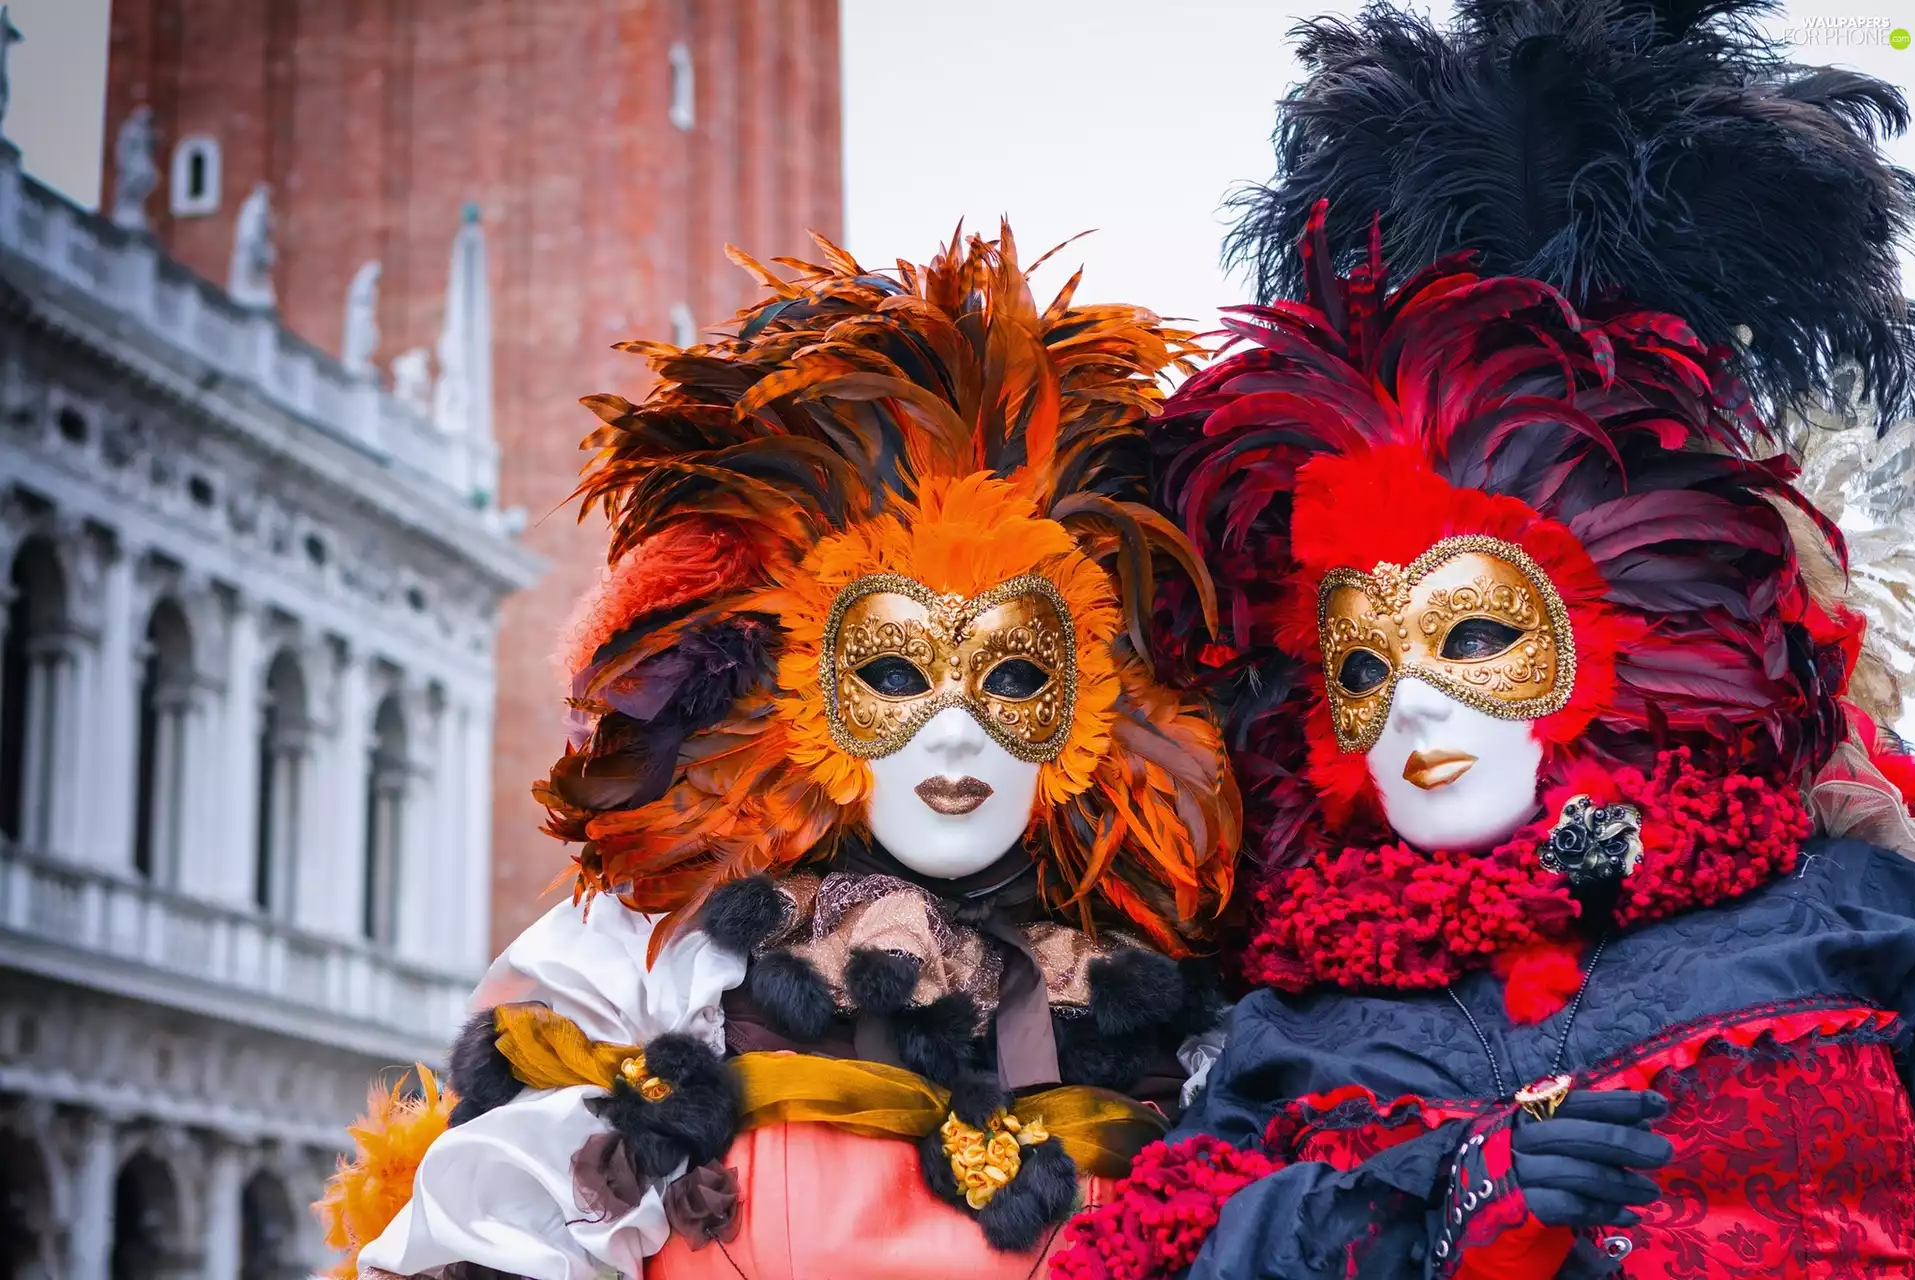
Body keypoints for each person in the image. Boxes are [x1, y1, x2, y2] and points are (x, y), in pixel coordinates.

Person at [1050, 1, 1915, 1276]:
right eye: (1362, 666)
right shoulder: (1296, 1025)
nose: (1410, 705)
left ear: (1622, 636)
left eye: (1471, 634)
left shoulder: (1848, 912)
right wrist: (1439, 1203)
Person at [316, 225, 1242, 1279]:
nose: (956, 729)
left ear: (1092, 705)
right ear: (799, 691)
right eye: (894, 671)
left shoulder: (1162, 1015)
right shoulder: (672, 969)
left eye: (1015, 676)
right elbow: (511, 1224)